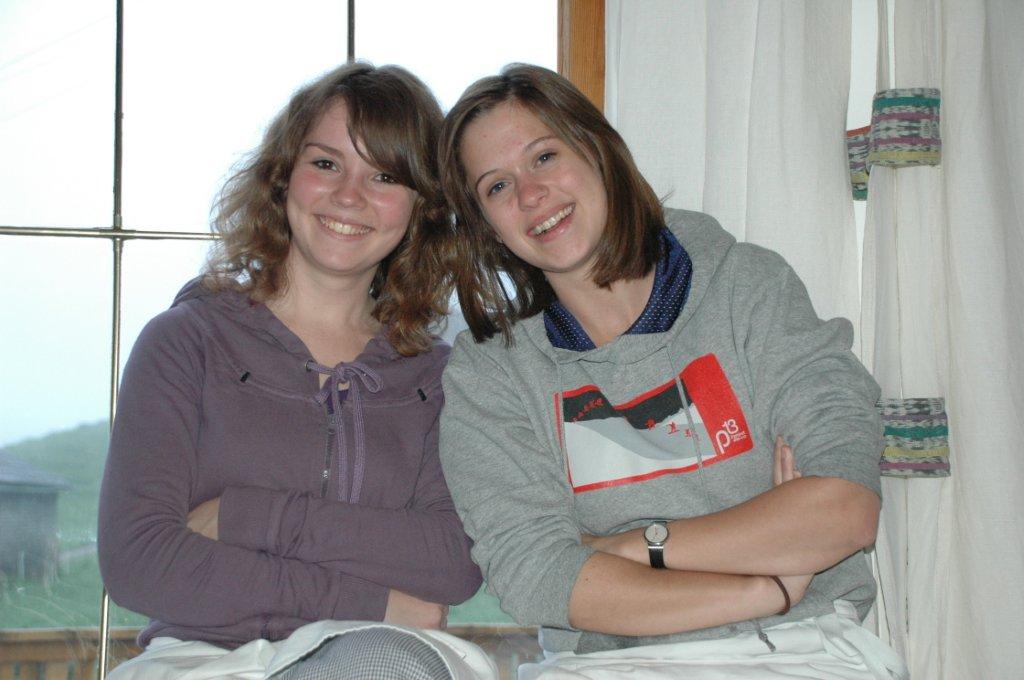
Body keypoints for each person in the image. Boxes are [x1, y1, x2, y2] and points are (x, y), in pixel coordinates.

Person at [435, 64, 908, 679]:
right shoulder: (491, 373)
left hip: (801, 650)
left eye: (545, 157)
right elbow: (538, 575)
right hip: (609, 664)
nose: (530, 195)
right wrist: (764, 586)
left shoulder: (748, 289)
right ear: (485, 226)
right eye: (497, 186)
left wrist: (631, 548)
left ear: (598, 151)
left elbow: (844, 509)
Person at [97, 63, 492, 680]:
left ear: (423, 207)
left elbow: (453, 562)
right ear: (284, 176)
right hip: (201, 660)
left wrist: (246, 517)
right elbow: (139, 561)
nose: (349, 196)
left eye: (385, 175)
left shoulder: (438, 379)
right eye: (326, 163)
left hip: (373, 656)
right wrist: (374, 601)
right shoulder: (186, 343)